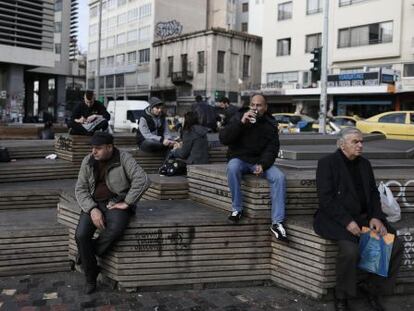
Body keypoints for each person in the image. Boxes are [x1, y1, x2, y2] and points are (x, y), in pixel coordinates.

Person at [314, 127, 403, 311]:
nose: (361, 145)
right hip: (335, 219)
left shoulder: (364, 164)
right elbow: (326, 199)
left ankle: (371, 289)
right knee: (350, 250)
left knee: (394, 244)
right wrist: (347, 221)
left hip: (364, 218)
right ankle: (342, 296)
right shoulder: (327, 163)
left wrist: (376, 217)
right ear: (342, 144)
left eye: (361, 141)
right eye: (355, 142)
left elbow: (372, 194)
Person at [75, 132, 150, 294]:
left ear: (110, 147)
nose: (93, 152)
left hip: (115, 202)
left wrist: (128, 202)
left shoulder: (124, 158)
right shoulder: (88, 161)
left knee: (115, 229)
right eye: (92, 148)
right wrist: (92, 209)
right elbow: (80, 189)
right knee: (81, 235)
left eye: (98, 148)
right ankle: (91, 274)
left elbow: (142, 179)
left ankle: (87, 254)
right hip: (93, 204)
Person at [219, 93, 287, 241]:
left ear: (265, 107)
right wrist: (240, 123)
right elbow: (224, 139)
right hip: (241, 159)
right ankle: (237, 209)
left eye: (259, 105)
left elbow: (273, 148)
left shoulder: (270, 124)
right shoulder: (239, 116)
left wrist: (263, 164)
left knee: (279, 177)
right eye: (253, 105)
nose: (255, 108)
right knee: (232, 167)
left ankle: (277, 222)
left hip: (260, 162)